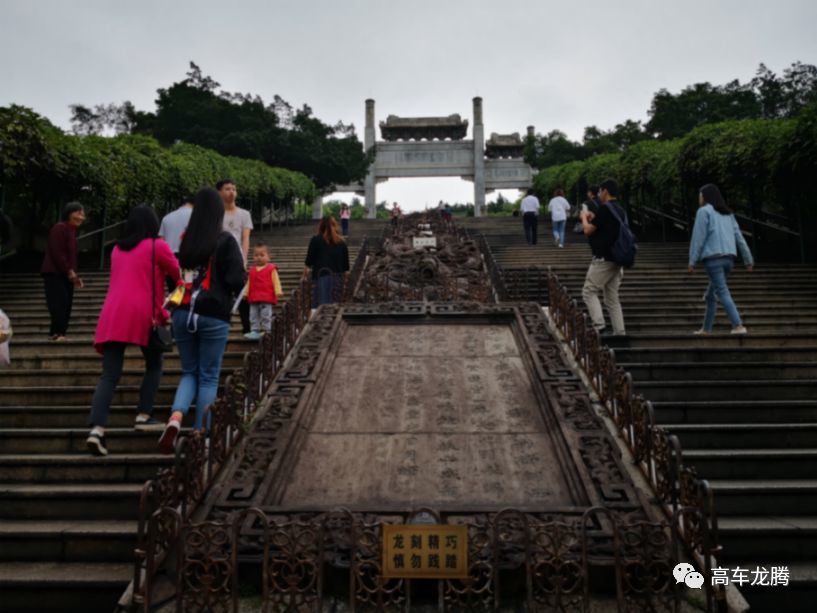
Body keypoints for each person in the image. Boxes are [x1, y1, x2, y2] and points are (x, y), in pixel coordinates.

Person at [85, 205, 180, 456]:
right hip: (143, 314)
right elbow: (178, 274)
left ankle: (97, 430)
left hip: (113, 313)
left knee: (109, 375)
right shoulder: (156, 246)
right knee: (154, 364)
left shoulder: (117, 249)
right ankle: (143, 414)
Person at [159, 188, 247, 453]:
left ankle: (176, 417)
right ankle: (201, 434)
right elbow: (236, 279)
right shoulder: (225, 240)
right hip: (213, 314)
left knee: (189, 372)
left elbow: (173, 276)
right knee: (208, 378)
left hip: (183, 313)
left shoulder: (187, 240)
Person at [688, 184, 754, 335]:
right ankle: (706, 329)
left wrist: (692, 260)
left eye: (700, 194)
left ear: (706, 196)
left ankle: (738, 325)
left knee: (722, 292)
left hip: (713, 260)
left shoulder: (703, 212)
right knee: (711, 295)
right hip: (729, 260)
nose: (699, 197)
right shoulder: (728, 214)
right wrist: (748, 259)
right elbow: (739, 237)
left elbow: (698, 238)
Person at [579, 178, 627, 336]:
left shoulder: (605, 208)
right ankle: (620, 331)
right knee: (612, 297)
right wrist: (593, 217)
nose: (599, 194)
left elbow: (587, 231)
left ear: (605, 191)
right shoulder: (620, 209)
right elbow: (603, 227)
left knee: (588, 291)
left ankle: (599, 325)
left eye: (600, 191)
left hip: (604, 258)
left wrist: (584, 218)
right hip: (618, 259)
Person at [41, 202, 85, 341]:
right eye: (78, 213)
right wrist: (69, 270)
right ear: (68, 213)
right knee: (59, 303)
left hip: (66, 274)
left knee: (66, 304)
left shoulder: (72, 232)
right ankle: (57, 333)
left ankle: (59, 333)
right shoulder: (60, 228)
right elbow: (57, 252)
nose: (81, 216)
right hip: (54, 273)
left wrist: (74, 275)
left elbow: (71, 257)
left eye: (82, 214)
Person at [218, 178, 253, 334]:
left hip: (237, 259)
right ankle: (222, 325)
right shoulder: (215, 214)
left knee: (242, 294)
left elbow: (245, 238)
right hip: (219, 259)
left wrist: (244, 259)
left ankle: (247, 327)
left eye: (233, 188)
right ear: (219, 192)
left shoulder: (244, 214)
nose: (231, 191)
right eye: (227, 189)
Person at [304, 216, 350, 307]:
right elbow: (346, 266)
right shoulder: (341, 242)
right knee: (335, 305)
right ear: (335, 226)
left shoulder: (315, 240)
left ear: (321, 226)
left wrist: (305, 273)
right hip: (338, 277)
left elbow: (309, 260)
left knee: (321, 307)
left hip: (321, 276)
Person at [244, 243, 282, 340]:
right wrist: (245, 293)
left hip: (266, 296)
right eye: (256, 255)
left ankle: (267, 330)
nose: (259, 257)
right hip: (254, 296)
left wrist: (278, 291)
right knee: (253, 314)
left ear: (268, 257)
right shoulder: (252, 270)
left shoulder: (271, 269)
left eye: (262, 255)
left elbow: (275, 280)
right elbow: (249, 283)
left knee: (266, 314)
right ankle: (255, 330)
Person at [158, 195, 193, 292]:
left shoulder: (166, 218)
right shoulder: (196, 216)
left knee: (173, 291)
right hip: (188, 260)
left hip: (170, 259)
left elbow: (161, 242)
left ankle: (173, 306)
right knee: (187, 289)